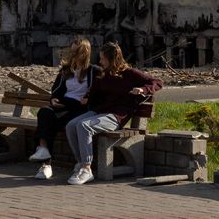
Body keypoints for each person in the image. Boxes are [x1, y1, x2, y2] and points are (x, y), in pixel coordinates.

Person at [64, 41, 162, 186]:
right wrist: (87, 97)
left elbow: (157, 81)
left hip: (116, 116)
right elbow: (95, 92)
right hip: (100, 111)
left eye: (103, 58)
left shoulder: (130, 74)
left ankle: (86, 169)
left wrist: (143, 90)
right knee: (71, 125)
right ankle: (81, 163)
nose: (100, 61)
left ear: (112, 59)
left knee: (84, 126)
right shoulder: (104, 74)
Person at [27, 39, 96, 180]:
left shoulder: (93, 71)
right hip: (63, 105)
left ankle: (46, 163)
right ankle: (44, 152)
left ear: (85, 53)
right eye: (72, 51)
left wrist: (89, 98)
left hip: (79, 108)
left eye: (76, 51)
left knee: (50, 123)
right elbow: (56, 90)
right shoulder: (66, 70)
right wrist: (53, 99)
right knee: (44, 113)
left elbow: (99, 90)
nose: (73, 54)